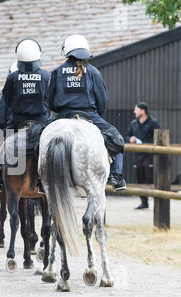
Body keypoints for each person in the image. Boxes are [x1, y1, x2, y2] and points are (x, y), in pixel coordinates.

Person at [47, 34, 126, 191]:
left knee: (42, 141)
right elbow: (102, 99)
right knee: (118, 140)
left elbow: (49, 100)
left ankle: (42, 180)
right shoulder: (93, 72)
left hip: (63, 116)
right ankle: (116, 176)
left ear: (66, 51)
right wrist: (98, 114)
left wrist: (58, 110)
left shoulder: (57, 72)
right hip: (89, 116)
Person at [0, 39, 52, 196]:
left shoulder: (13, 77)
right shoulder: (46, 75)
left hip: (17, 121)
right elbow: (50, 99)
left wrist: (4, 122)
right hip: (41, 123)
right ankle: (47, 181)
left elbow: (6, 101)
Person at [126, 102, 161, 209]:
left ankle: (158, 200)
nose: (134, 112)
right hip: (137, 155)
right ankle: (144, 202)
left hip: (150, 155)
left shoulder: (153, 123)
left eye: (136, 109)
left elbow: (160, 136)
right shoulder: (133, 123)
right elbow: (127, 136)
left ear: (143, 111)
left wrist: (148, 143)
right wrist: (130, 139)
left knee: (150, 177)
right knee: (140, 179)